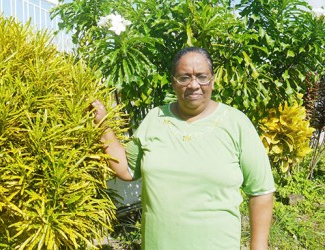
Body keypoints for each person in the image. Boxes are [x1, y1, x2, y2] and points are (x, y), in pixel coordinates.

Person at [92, 47, 275, 250]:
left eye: (202, 77)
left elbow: (261, 191)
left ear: (212, 81)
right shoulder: (155, 118)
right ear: (173, 83)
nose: (194, 85)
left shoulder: (236, 123)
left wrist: (258, 246)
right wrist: (103, 127)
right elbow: (126, 168)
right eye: (184, 77)